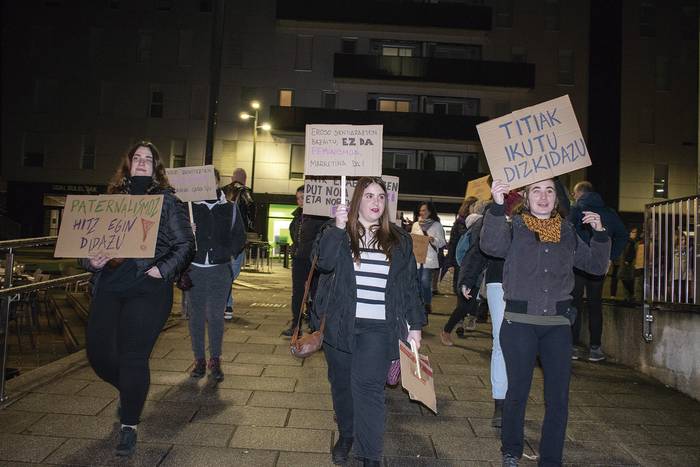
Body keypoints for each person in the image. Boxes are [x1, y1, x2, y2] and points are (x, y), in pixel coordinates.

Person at [482, 178, 610, 467]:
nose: (543, 196)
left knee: (559, 398)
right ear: (526, 197)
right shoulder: (513, 227)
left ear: (557, 198)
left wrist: (600, 234)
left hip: (557, 326)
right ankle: (511, 451)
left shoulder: (567, 231)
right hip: (519, 324)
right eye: (536, 190)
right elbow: (490, 245)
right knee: (517, 392)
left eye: (550, 191)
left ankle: (551, 460)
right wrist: (497, 205)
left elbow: (595, 266)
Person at [81, 142, 195, 457]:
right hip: (110, 287)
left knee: (133, 356)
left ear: (155, 166)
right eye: (137, 157)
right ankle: (131, 390)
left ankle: (129, 425)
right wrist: (92, 261)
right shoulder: (110, 200)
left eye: (148, 158)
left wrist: (163, 270)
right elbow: (86, 250)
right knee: (98, 353)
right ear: (128, 164)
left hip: (148, 287)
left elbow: (186, 244)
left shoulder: (168, 202)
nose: (142, 162)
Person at [312, 177, 425, 466]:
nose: (375, 202)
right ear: (356, 201)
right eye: (369, 195)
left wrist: (415, 326)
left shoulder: (399, 239)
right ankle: (347, 435)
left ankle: (369, 455)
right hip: (340, 324)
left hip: (378, 329)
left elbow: (409, 286)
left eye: (380, 196)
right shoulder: (335, 231)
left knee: (369, 390)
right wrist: (338, 229)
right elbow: (323, 263)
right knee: (342, 386)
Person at [186, 169, 246, 382]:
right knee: (196, 316)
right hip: (194, 269)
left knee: (215, 316)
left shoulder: (229, 208)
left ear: (217, 182)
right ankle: (199, 359)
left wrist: (227, 253)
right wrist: (187, 231)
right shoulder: (189, 207)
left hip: (219, 270)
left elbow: (240, 236)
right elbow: (178, 238)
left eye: (211, 180)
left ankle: (215, 360)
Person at [568, 181, 627, 362]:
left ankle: (572, 346)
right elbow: (622, 235)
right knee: (595, 305)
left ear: (578, 193)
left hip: (577, 264)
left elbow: (567, 233)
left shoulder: (575, 210)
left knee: (574, 304)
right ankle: (595, 348)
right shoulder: (609, 212)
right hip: (598, 266)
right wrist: (610, 257)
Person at [441, 199, 490, 345]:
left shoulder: (476, 225)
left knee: (467, 304)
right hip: (471, 272)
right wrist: (465, 274)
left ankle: (451, 329)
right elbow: (472, 254)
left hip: (470, 271)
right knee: (465, 305)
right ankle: (446, 331)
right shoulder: (479, 227)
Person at [283, 185, 328, 337]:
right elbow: (295, 236)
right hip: (299, 259)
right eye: (298, 198)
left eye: (303, 197)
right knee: (297, 294)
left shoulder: (319, 217)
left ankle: (316, 328)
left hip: (313, 260)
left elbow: (321, 238)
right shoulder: (297, 216)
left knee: (315, 293)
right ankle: (296, 325)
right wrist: (295, 247)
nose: (300, 201)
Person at [222, 168, 256, 320]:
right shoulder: (245, 192)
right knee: (231, 274)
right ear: (245, 178)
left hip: (222, 239)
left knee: (226, 274)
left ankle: (225, 304)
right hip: (238, 240)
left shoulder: (222, 192)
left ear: (232, 177)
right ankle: (226, 305)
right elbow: (251, 212)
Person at [445, 196, 478, 336]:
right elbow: (453, 244)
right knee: (462, 295)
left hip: (474, 264)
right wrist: (451, 263)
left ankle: (470, 317)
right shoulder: (460, 223)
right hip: (461, 263)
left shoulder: (479, 223)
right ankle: (459, 322)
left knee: (473, 295)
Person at [411, 202, 446, 314]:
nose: (422, 212)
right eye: (421, 210)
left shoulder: (437, 225)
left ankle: (427, 302)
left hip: (429, 257)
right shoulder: (416, 224)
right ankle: (419, 303)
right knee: (417, 282)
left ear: (430, 212)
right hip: (417, 256)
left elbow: (442, 242)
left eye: (424, 210)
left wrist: (433, 240)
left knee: (425, 281)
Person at [619, 227, 638, 302]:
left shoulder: (633, 242)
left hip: (629, 264)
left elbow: (632, 253)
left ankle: (630, 295)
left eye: (635, 232)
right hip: (625, 264)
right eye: (633, 232)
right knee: (625, 279)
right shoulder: (628, 242)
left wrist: (628, 260)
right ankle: (628, 296)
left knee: (628, 280)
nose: (634, 234)